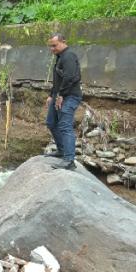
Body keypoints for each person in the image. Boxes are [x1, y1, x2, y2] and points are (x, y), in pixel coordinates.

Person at [44, 33, 82, 170]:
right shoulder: (60, 57)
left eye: (54, 45)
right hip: (59, 94)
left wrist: (61, 95)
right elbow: (58, 80)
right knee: (51, 122)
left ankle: (69, 161)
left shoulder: (69, 56)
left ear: (63, 42)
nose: (52, 49)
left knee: (65, 126)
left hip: (70, 96)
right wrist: (52, 95)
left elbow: (70, 78)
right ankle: (61, 151)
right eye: (50, 46)